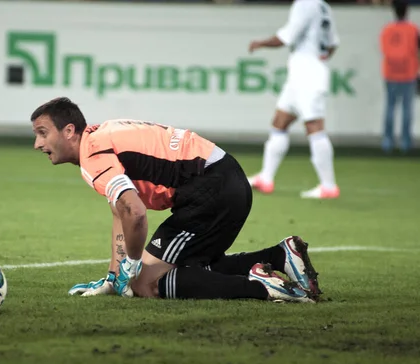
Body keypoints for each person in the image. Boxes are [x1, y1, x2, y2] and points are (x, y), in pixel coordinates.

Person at [30, 97, 322, 303]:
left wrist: (131, 265)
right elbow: (120, 211)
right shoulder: (100, 137)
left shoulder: (92, 154)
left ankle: (264, 287)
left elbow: (135, 211)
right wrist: (113, 277)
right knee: (183, 269)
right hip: (224, 180)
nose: (37, 144)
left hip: (210, 190)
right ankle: (280, 257)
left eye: (43, 133)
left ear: (69, 131)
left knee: (146, 283)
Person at [246, 0, 340, 199]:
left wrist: (260, 43)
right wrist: (317, 58)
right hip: (301, 75)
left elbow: (286, 36)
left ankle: (328, 186)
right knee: (279, 122)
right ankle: (266, 177)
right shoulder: (323, 6)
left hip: (307, 76)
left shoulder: (305, 3)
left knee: (314, 126)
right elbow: (332, 45)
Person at [379, 0, 418, 155]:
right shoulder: (413, 29)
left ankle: (387, 141)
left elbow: (383, 50)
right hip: (408, 73)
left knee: (390, 108)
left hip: (390, 73)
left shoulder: (387, 30)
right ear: (406, 11)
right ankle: (405, 142)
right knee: (407, 109)